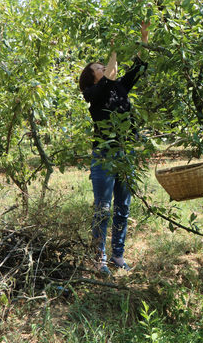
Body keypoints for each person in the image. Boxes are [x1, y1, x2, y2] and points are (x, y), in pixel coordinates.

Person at [78, 22, 149, 276]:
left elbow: (137, 69)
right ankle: (100, 259)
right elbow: (107, 76)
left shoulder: (119, 86)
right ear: (93, 76)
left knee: (123, 207)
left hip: (125, 154)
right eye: (99, 67)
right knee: (103, 209)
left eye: (103, 65)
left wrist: (144, 36)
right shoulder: (92, 92)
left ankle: (118, 255)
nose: (104, 68)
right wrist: (115, 49)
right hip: (104, 157)